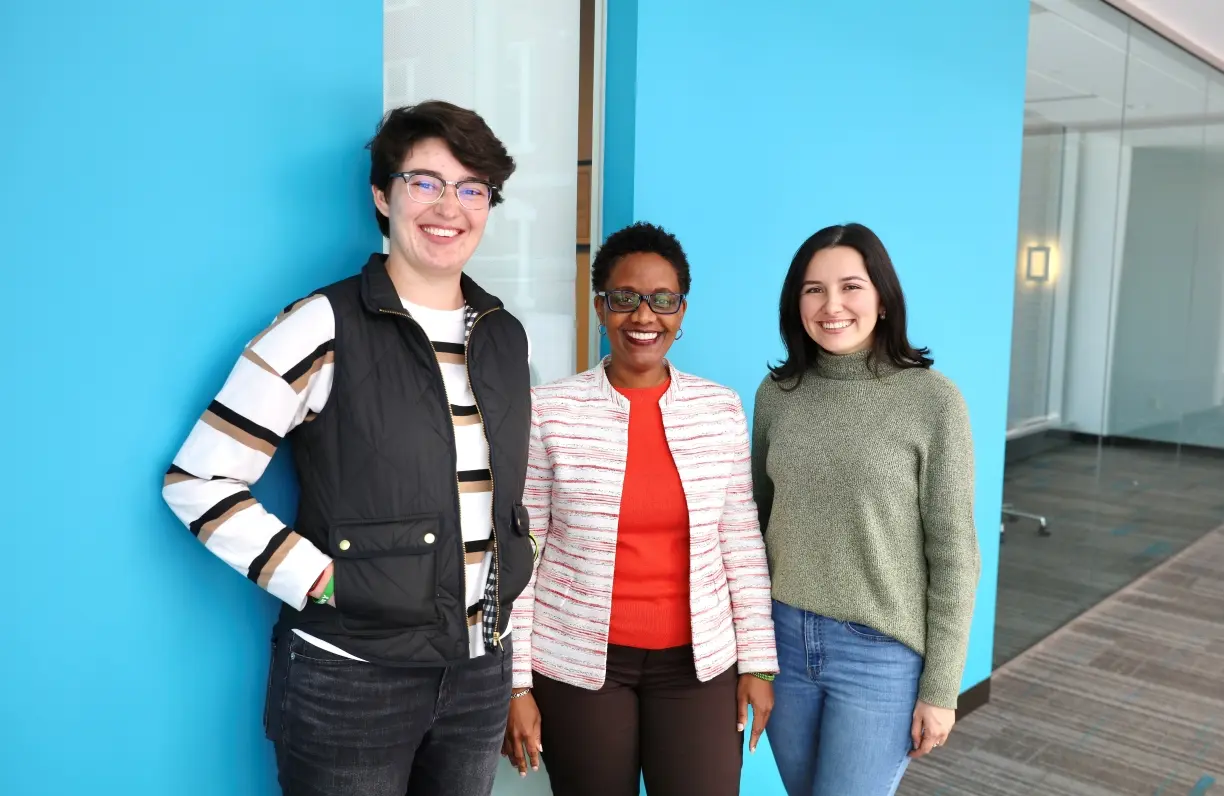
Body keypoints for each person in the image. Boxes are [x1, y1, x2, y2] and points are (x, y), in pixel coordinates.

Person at [161, 100, 536, 796]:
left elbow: (504, 501)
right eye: (425, 181)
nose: (449, 206)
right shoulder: (320, 325)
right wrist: (320, 579)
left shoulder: (504, 335)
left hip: (480, 673)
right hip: (350, 676)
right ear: (381, 194)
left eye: (472, 188)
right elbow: (198, 480)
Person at [502, 222, 778, 796]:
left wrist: (756, 662)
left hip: (698, 665)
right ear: (601, 306)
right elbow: (520, 554)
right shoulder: (550, 410)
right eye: (625, 299)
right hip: (578, 662)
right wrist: (516, 685)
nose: (644, 316)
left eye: (663, 300)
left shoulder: (719, 409)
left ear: (682, 310)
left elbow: (740, 541)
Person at [753, 223, 981, 796]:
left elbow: (955, 555)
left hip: (878, 654)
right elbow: (755, 525)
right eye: (813, 290)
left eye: (851, 286)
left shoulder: (933, 400)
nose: (832, 306)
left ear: (882, 298)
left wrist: (942, 689)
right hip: (782, 642)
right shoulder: (777, 396)